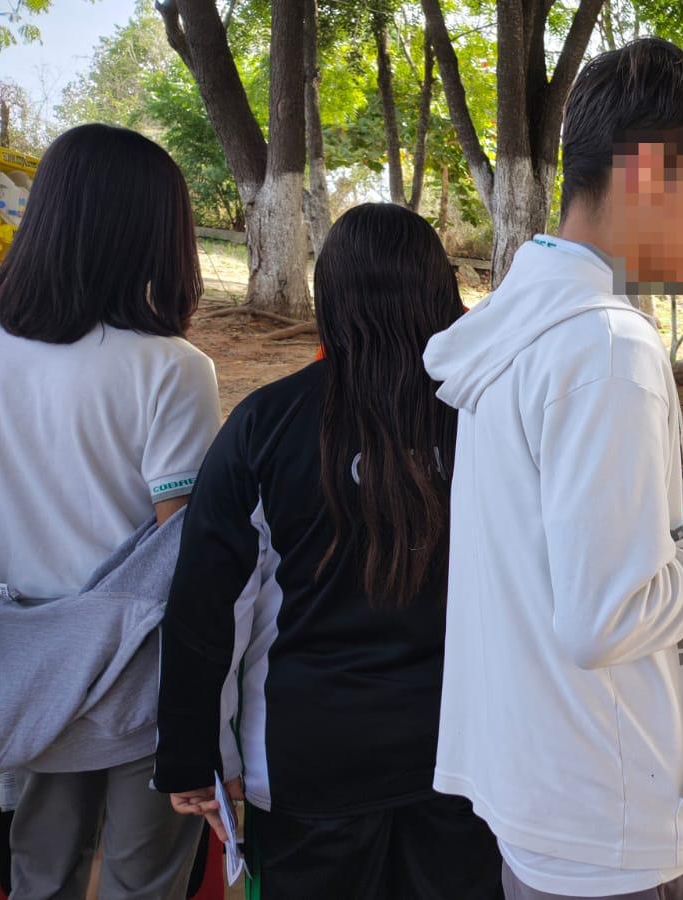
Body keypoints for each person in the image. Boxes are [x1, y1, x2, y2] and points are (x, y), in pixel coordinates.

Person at [422, 38, 683, 900]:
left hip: (553, 793)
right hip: (617, 824)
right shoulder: (606, 346)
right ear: (653, 172)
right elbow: (608, 619)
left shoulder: (518, 330)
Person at [153, 204, 503, 900]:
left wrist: (193, 754)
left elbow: (205, 608)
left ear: (329, 297)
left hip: (312, 760)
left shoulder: (267, 425)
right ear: (442, 293)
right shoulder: (489, 417)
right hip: (470, 752)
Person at [0, 123, 219, 900]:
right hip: (134, 684)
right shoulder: (171, 369)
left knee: (38, 872)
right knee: (142, 880)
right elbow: (182, 553)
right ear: (157, 235)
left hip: (22, 669)